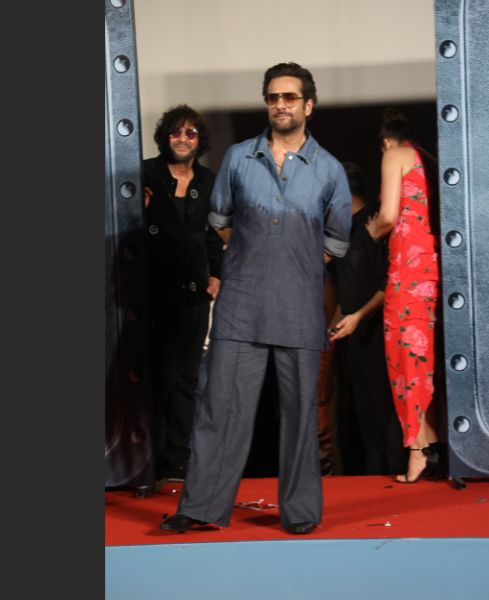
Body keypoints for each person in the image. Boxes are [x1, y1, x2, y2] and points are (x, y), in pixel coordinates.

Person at [160, 62, 351, 534]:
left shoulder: (329, 170)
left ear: (308, 105)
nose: (280, 105)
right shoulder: (239, 158)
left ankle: (300, 513)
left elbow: (335, 242)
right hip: (240, 305)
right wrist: (256, 259)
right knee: (220, 408)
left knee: (300, 417)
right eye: (272, 97)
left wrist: (291, 265)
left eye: (289, 97)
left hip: (298, 307)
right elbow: (220, 220)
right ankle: (200, 507)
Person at [142, 104, 223, 481]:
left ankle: (177, 461)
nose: (183, 138)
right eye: (176, 131)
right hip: (152, 292)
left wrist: (217, 274)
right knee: (156, 377)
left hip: (193, 294)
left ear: (199, 140)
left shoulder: (207, 180)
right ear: (165, 136)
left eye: (191, 132)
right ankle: (147, 460)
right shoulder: (145, 173)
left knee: (187, 379)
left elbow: (212, 233)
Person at [365, 108, 443, 483]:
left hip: (407, 269)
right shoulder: (427, 160)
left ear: (385, 141)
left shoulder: (394, 155)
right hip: (429, 265)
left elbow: (388, 215)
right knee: (422, 356)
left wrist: (372, 231)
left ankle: (416, 451)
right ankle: (431, 445)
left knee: (404, 357)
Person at [327, 163, 405, 475]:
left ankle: (396, 475)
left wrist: (358, 316)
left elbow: (389, 282)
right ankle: (374, 480)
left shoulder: (375, 221)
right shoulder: (342, 230)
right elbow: (348, 285)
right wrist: (334, 324)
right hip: (353, 334)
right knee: (365, 415)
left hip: (378, 331)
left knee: (386, 411)